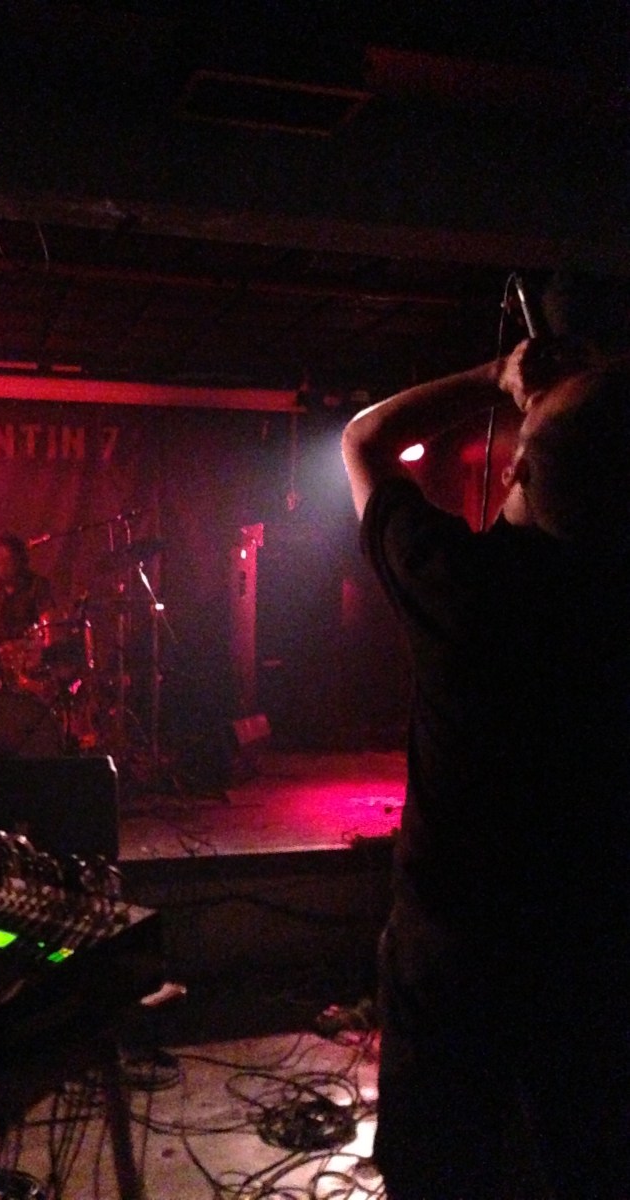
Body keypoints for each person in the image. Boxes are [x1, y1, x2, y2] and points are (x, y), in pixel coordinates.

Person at [340, 340, 630, 1199]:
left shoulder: (461, 587)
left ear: (518, 471)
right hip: (592, 951)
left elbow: (363, 440)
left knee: (439, 1166)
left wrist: (493, 378)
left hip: (454, 952)